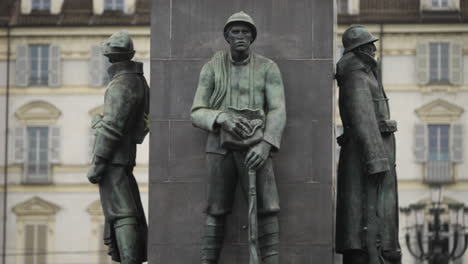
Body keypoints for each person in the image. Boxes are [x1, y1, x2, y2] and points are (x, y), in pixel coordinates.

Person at [191, 11, 286, 264]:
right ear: (227, 36)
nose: (241, 36)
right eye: (235, 31)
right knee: (215, 209)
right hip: (220, 146)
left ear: (252, 37)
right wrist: (221, 118)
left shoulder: (268, 67)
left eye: (246, 32)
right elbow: (196, 112)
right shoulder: (212, 66)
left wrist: (266, 144)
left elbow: (277, 108)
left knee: (268, 209)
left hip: (257, 146)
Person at [335, 25, 401, 264]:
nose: (374, 48)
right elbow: (362, 116)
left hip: (371, 154)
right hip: (367, 159)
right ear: (360, 48)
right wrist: (376, 159)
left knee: (374, 216)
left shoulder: (364, 71)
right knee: (369, 215)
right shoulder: (355, 71)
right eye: (369, 44)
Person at [87, 30, 149, 264]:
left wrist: (98, 162)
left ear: (110, 57)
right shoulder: (137, 80)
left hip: (113, 159)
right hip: (123, 157)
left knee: (121, 211)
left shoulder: (121, 83)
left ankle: (129, 259)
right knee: (123, 208)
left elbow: (113, 127)